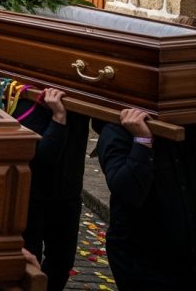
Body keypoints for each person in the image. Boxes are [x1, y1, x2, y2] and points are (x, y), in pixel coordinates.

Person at [97, 108, 196, 290]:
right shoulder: (116, 131)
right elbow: (127, 193)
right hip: (143, 262)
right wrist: (142, 140)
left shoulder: (188, 123)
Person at [16, 88, 90, 291]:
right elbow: (43, 160)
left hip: (68, 192)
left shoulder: (78, 94)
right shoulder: (24, 98)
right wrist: (58, 117)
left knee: (62, 262)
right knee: (26, 264)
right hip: (30, 195)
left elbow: (102, 123)